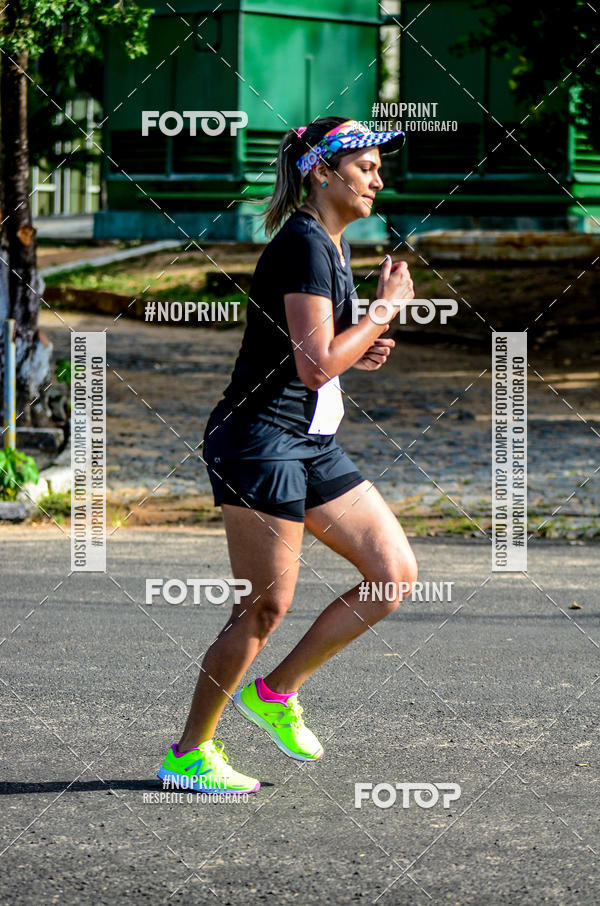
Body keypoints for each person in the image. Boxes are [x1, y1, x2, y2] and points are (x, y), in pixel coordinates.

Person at [158, 117, 418, 794]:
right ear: (323, 172)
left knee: (391, 574)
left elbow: (321, 353)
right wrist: (384, 311)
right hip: (260, 442)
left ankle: (275, 693)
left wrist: (366, 341)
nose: (378, 179)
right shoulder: (303, 244)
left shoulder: (330, 244)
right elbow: (314, 364)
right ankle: (189, 754)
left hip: (310, 441)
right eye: (366, 167)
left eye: (379, 168)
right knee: (262, 610)